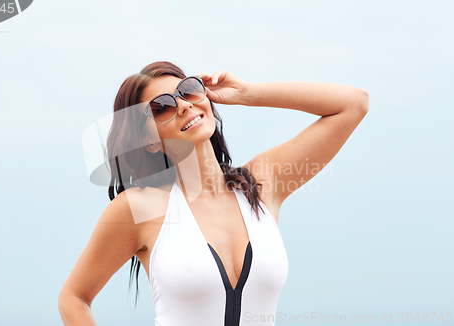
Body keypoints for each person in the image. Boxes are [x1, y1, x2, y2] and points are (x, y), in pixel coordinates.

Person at [58, 61, 369, 325]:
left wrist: (249, 93)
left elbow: (354, 104)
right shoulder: (140, 207)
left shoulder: (259, 184)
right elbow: (74, 297)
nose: (183, 105)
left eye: (188, 91)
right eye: (162, 107)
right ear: (148, 139)